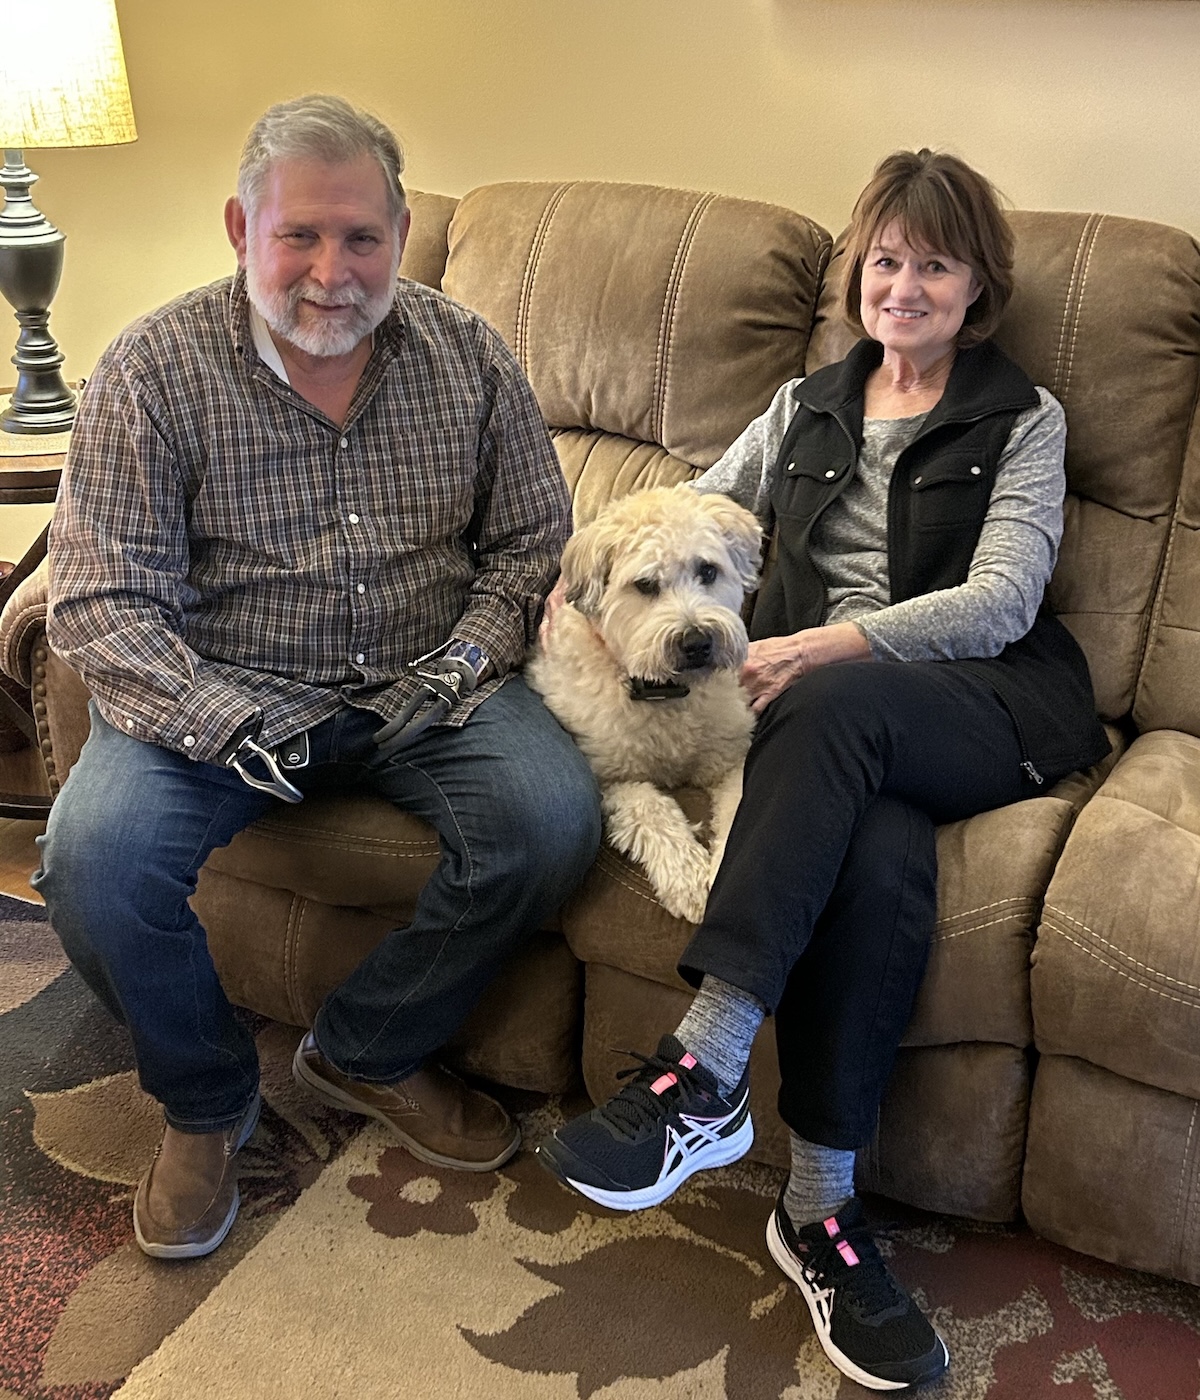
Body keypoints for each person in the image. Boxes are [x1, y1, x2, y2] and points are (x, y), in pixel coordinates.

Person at [537, 149, 1110, 1391]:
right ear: (859, 275)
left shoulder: (1024, 418)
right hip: (844, 736)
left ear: (977, 286)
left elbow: (1004, 598)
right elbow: (686, 508)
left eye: (935, 265)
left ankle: (702, 1066)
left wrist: (834, 641)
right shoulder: (805, 405)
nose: (904, 286)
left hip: (985, 696)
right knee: (874, 844)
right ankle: (824, 1211)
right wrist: (583, 585)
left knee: (823, 698)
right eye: (886, 261)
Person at [34, 94, 600, 1262]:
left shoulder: (469, 353)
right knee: (91, 859)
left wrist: (454, 666)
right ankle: (206, 1103)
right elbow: (98, 598)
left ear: (399, 232)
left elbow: (534, 545)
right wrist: (227, 718)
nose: (331, 271)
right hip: (216, 691)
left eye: (361, 238)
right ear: (242, 230)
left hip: (425, 684)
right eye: (301, 235)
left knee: (551, 821)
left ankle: (368, 1046)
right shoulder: (150, 370)